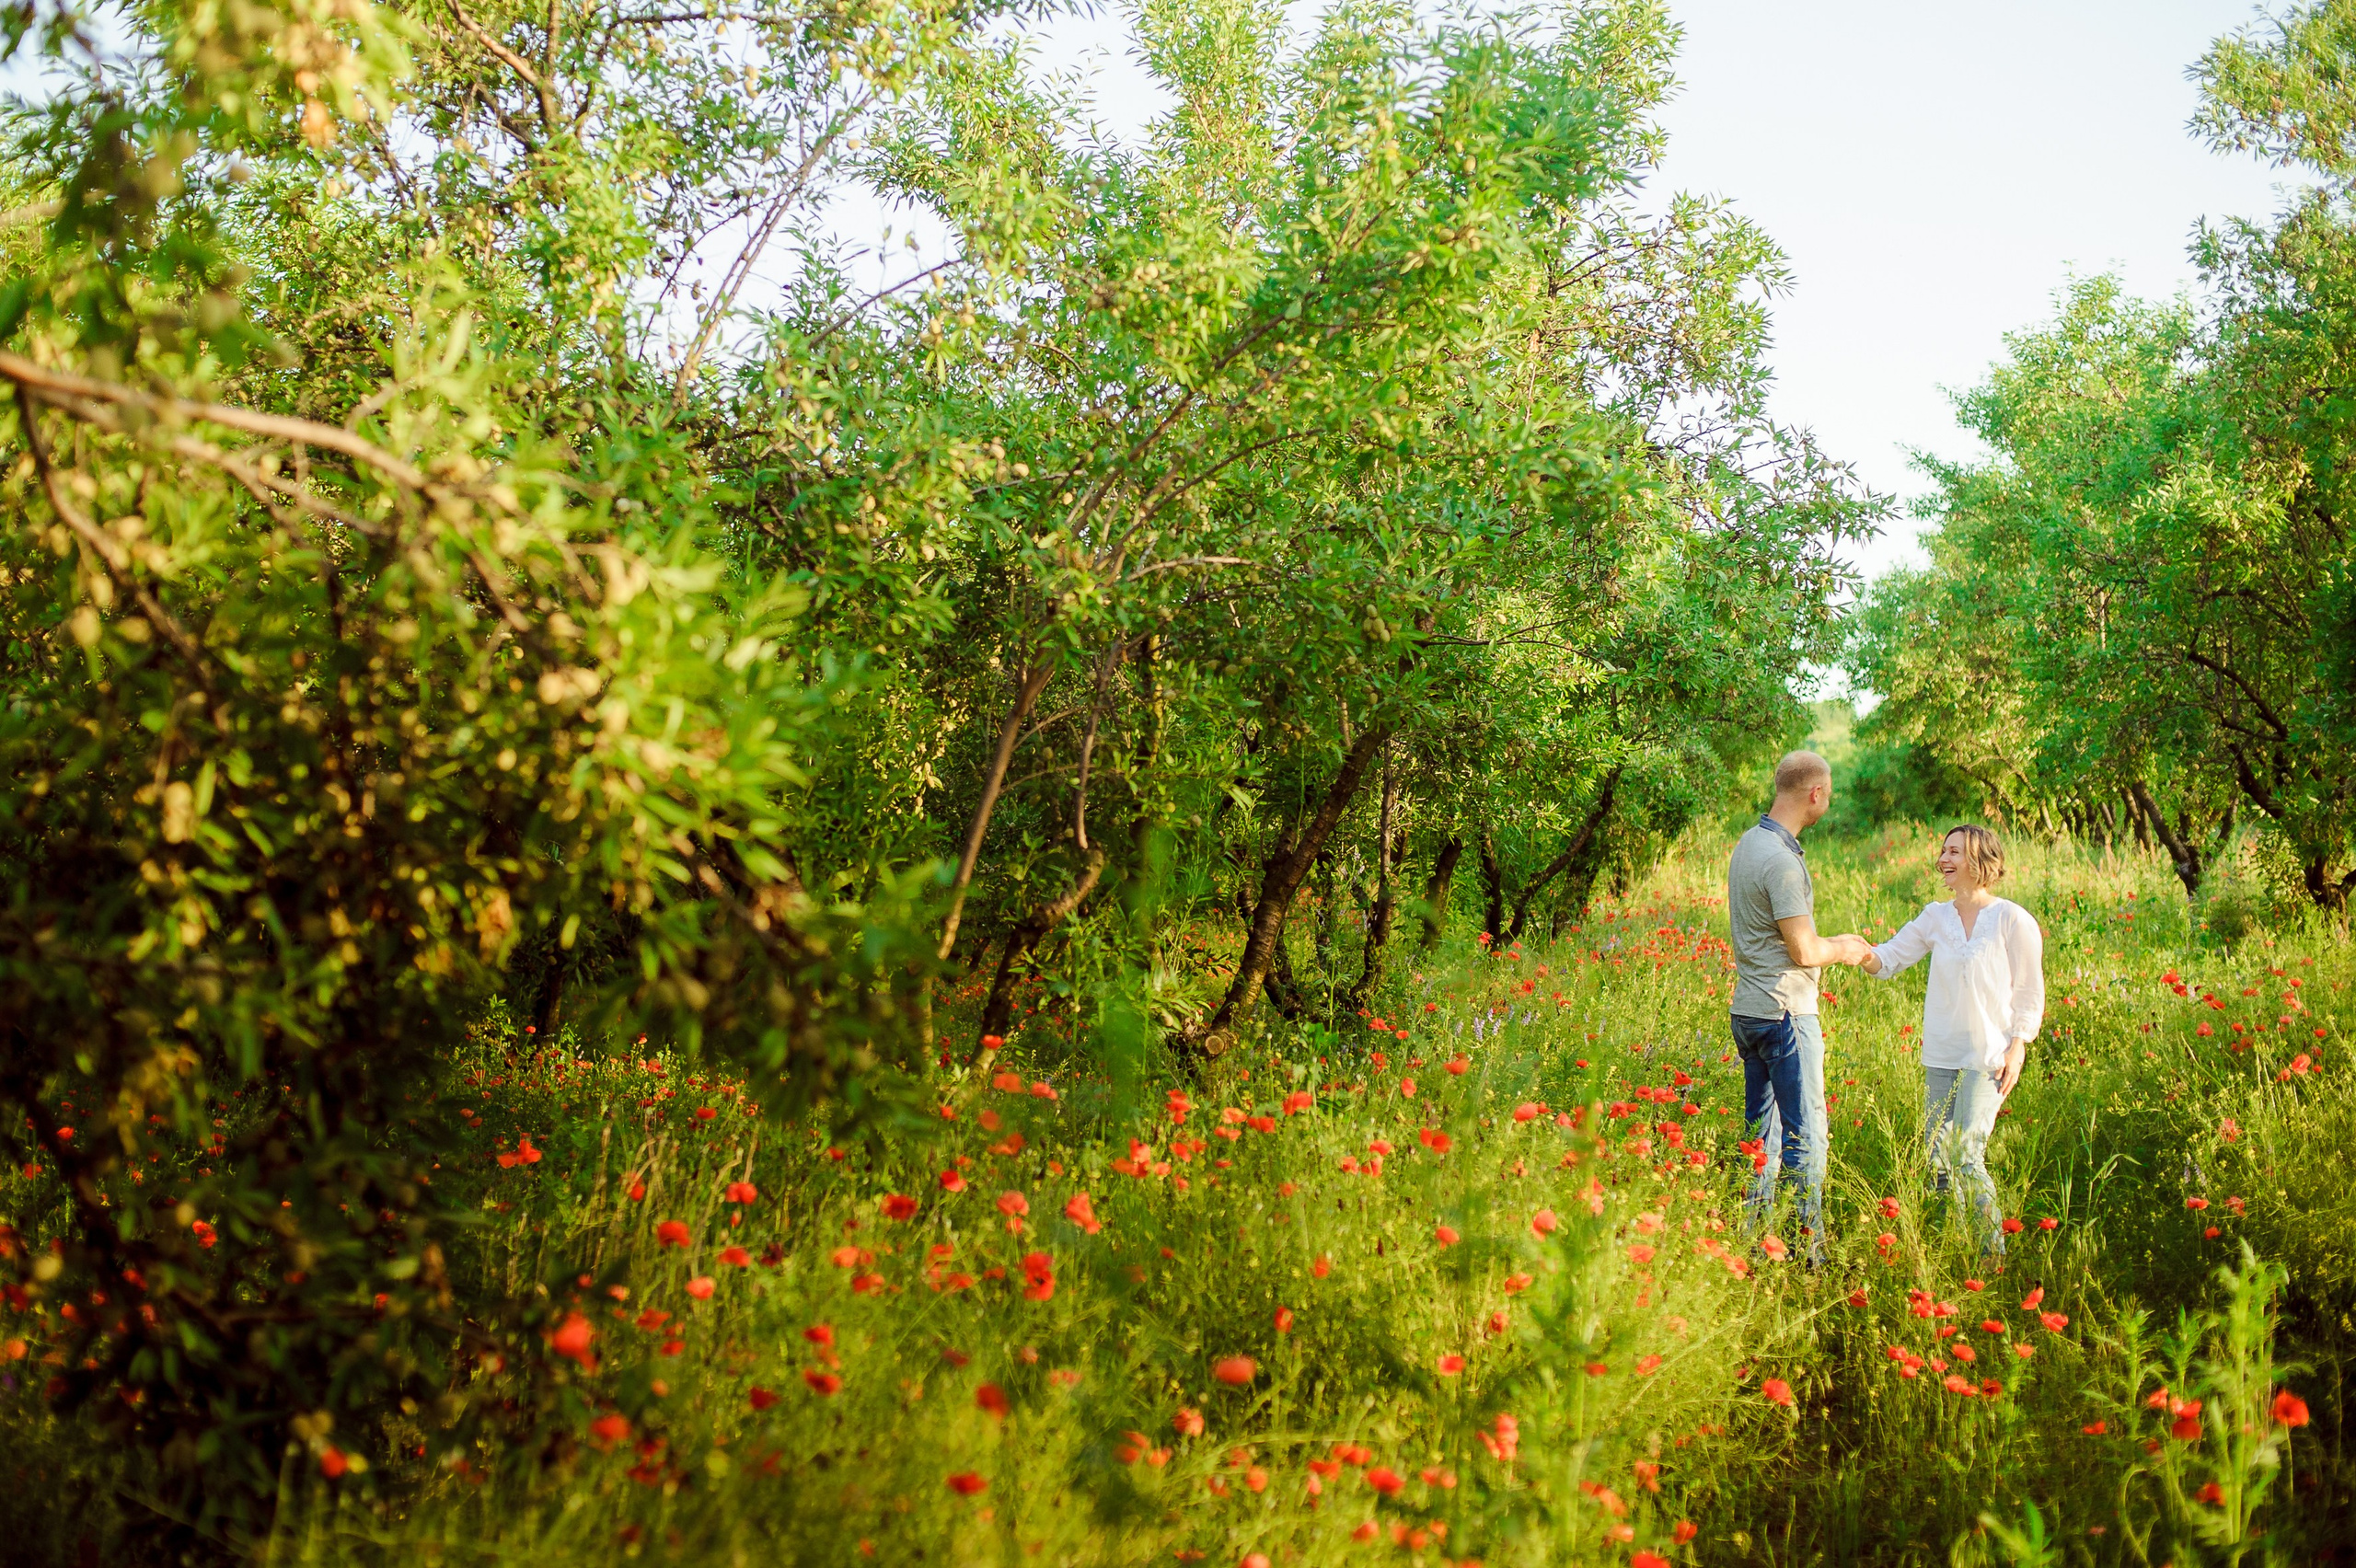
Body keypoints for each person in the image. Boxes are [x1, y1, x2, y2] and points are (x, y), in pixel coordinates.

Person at [1861, 824, 2045, 1255]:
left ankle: (1990, 1257)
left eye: (1954, 852)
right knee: (1937, 1163)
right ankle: (1947, 1253)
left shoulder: (2012, 919)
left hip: (1989, 1055)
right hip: (1942, 1053)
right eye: (1943, 851)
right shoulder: (1936, 917)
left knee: (1966, 1155)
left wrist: (2018, 1045)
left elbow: (2029, 990)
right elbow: (1889, 958)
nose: (1943, 859)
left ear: (1980, 860)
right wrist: (1854, 951)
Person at [1726, 751, 1871, 1251]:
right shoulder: (1781, 861)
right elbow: (1805, 950)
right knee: (1805, 1138)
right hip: (1785, 1012)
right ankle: (1805, 1254)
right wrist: (1845, 949)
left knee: (1760, 1140)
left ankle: (1751, 1246)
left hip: (1749, 1009)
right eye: (1828, 793)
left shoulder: (1750, 842)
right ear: (1815, 793)